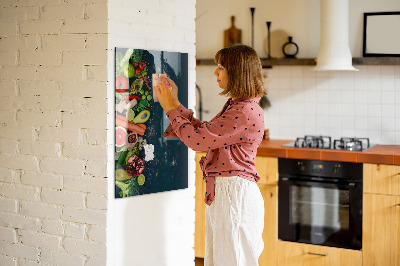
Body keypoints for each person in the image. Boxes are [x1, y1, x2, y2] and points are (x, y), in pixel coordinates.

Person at [155, 44, 266, 266]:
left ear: (237, 71)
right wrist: (175, 104)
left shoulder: (243, 111)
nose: (215, 72)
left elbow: (198, 141)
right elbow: (205, 133)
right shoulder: (238, 106)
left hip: (234, 195)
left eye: (221, 67)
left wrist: (169, 108)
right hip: (228, 193)